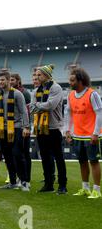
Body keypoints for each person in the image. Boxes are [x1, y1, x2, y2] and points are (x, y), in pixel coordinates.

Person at [0, 71, 30, 191]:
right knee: (7, 156)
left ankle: (24, 182)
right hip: (2, 129)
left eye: (3, 80)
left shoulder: (17, 94)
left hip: (16, 128)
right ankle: (12, 182)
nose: (1, 82)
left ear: (8, 80)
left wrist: (26, 127)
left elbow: (24, 111)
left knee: (18, 154)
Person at [30, 64, 67, 194]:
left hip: (54, 127)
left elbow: (50, 105)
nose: (36, 77)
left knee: (58, 157)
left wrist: (37, 105)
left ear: (46, 75)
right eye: (36, 75)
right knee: (45, 157)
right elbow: (32, 108)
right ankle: (48, 184)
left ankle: (62, 185)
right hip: (40, 127)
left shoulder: (56, 88)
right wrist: (38, 106)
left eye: (39, 74)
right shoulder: (36, 91)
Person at [65, 68, 101, 199]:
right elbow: (68, 113)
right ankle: (85, 188)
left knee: (94, 161)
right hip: (77, 135)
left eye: (72, 80)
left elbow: (99, 113)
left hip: (91, 135)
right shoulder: (70, 95)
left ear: (80, 80)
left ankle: (96, 190)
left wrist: (96, 133)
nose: (70, 83)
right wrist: (67, 131)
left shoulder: (92, 94)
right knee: (82, 161)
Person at [10, 73, 32, 185]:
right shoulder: (9, 93)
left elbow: (27, 112)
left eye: (12, 80)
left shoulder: (24, 93)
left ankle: (27, 179)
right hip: (13, 127)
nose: (10, 82)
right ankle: (20, 177)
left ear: (18, 81)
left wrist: (26, 127)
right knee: (16, 154)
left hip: (23, 127)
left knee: (24, 154)